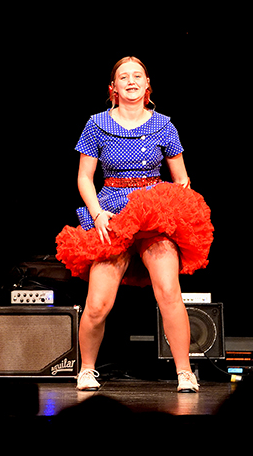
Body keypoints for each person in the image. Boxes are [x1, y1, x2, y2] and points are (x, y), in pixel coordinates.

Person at [55, 56, 213, 393]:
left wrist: (177, 202)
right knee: (98, 303)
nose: (131, 81)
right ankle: (86, 369)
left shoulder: (164, 125)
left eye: (137, 76)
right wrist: (97, 213)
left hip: (153, 213)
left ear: (147, 84)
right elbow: (84, 177)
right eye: (124, 77)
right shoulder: (96, 124)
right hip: (112, 214)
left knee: (169, 292)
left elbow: (181, 178)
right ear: (113, 87)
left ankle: (185, 372)